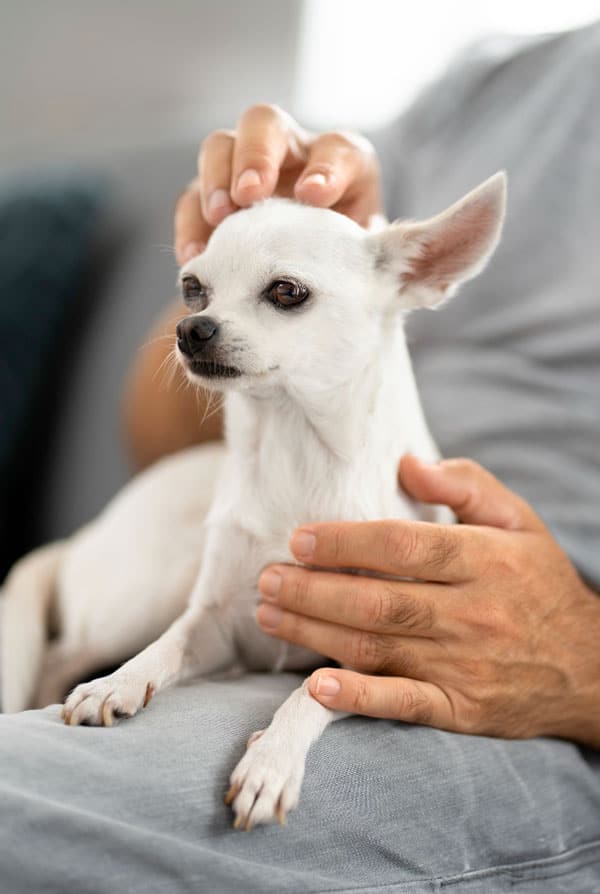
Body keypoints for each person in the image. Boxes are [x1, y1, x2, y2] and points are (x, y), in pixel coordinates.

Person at [1, 22, 599, 894]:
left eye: (287, 293)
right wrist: (242, 253)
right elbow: (170, 423)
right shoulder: (482, 87)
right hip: (266, 539)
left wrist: (581, 660)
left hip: (530, 715)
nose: (197, 315)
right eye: (192, 292)